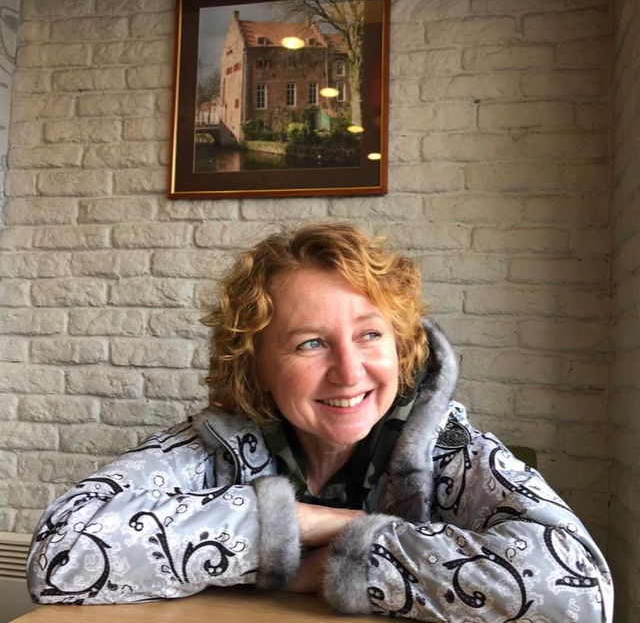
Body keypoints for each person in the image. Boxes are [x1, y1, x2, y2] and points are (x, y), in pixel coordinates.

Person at [27, 222, 613, 621]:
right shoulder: (213, 445)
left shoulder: (449, 447)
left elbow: (581, 591)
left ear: (401, 347)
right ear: (255, 365)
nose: (349, 371)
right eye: (310, 343)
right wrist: (304, 523)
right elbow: (60, 552)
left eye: (369, 335)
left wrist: (341, 563)